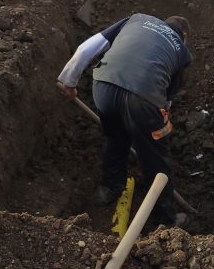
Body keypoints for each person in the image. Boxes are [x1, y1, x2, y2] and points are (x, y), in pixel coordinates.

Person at [57, 13, 193, 226]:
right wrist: (154, 133)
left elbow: (89, 47)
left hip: (103, 87)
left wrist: (69, 79)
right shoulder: (181, 50)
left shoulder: (136, 20)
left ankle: (109, 187)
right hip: (144, 100)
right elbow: (166, 102)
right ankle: (166, 219)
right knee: (156, 158)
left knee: (116, 138)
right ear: (184, 36)